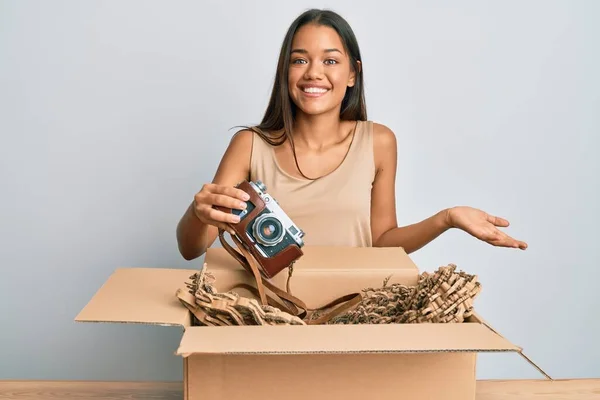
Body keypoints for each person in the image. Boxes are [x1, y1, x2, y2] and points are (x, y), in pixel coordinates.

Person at [176, 8, 528, 261]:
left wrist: (446, 218)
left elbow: (382, 241)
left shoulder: (379, 142)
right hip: (267, 311)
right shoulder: (250, 145)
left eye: (330, 61)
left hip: (356, 310)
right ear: (285, 71)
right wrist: (198, 211)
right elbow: (192, 248)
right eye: (299, 60)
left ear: (352, 74)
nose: (313, 73)